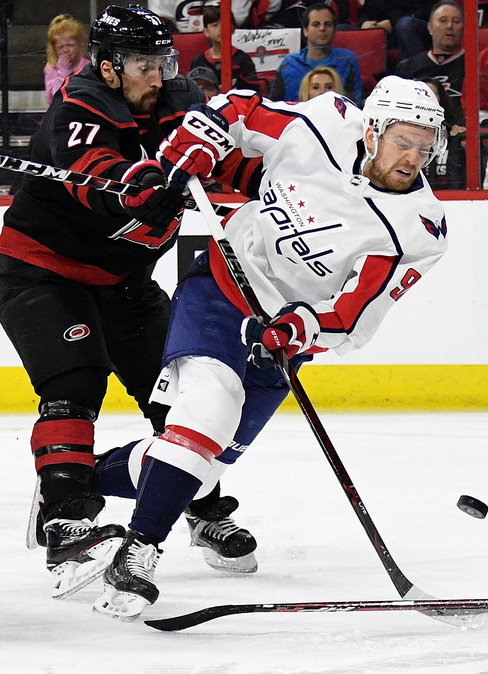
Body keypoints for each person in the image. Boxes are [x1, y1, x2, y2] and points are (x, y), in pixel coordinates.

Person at [87, 75, 450, 620]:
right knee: (205, 415)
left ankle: (77, 483)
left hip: (281, 333)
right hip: (224, 284)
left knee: (204, 466)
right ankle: (137, 553)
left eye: (426, 146)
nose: (413, 156)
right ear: (372, 130)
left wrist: (301, 327)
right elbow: (238, 108)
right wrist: (204, 136)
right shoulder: (323, 124)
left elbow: (353, 313)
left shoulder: (418, 229)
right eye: (403, 140)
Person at [0, 4, 256, 602]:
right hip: (42, 272)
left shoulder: (181, 100)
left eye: (163, 60)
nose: (158, 74)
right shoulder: (80, 107)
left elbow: (236, 162)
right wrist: (142, 188)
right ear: (110, 67)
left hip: (125, 280)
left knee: (182, 400)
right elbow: (103, 181)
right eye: (145, 63)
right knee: (76, 385)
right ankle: (64, 522)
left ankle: (201, 508)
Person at [271, 3, 364, 105]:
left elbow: (355, 104)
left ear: (334, 30)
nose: (322, 29)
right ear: (305, 31)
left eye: (327, 24)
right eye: (316, 24)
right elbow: (274, 105)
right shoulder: (288, 63)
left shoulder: (348, 59)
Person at [395, 0, 466, 130]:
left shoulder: (473, 65)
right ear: (430, 27)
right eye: (443, 20)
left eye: (456, 21)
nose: (450, 26)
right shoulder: (407, 67)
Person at [190, 6, 265, 94]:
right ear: (206, 31)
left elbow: (254, 90)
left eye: (226, 24)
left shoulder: (242, 59)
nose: (221, 29)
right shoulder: (198, 61)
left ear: (233, 28)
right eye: (215, 25)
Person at [359, 0, 440, 58]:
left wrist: (393, 23)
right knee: (347, 29)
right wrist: (364, 22)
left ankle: (418, 73)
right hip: (384, 32)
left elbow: (433, 10)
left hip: (418, 28)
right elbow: (366, 11)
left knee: (406, 24)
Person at [43, 14, 89, 105]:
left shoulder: (87, 66)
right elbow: (53, 98)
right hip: (61, 112)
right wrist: (64, 69)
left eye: (71, 45)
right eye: (60, 47)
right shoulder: (52, 68)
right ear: (54, 49)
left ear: (80, 44)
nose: (66, 50)